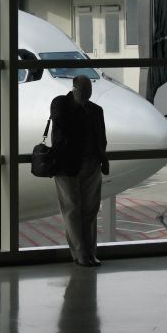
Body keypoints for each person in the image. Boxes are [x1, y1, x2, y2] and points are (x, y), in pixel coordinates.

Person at [50, 74, 109, 267]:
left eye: (89, 91)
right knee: (73, 209)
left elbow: (101, 136)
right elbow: (64, 125)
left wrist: (101, 158)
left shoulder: (96, 110)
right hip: (68, 166)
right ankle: (80, 254)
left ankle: (89, 252)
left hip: (91, 164)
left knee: (90, 210)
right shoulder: (61, 105)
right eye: (84, 91)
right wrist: (79, 106)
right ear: (74, 89)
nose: (87, 95)